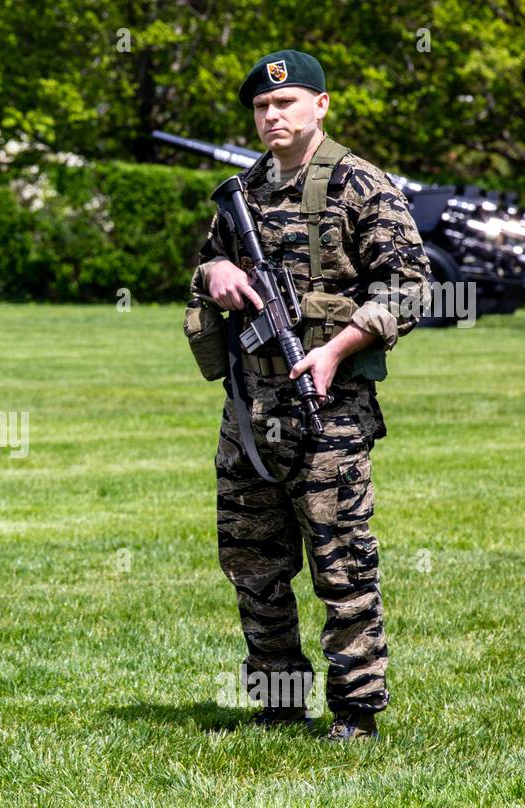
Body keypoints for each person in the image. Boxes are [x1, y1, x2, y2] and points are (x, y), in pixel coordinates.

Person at [183, 49, 431, 741]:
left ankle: (355, 712)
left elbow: (410, 285)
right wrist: (217, 271)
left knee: (342, 564)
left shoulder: (361, 185)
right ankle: (279, 702)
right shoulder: (246, 190)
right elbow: (205, 266)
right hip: (250, 414)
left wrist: (338, 347)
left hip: (329, 412)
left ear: (320, 105)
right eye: (262, 107)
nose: (271, 115)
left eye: (285, 104)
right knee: (254, 565)